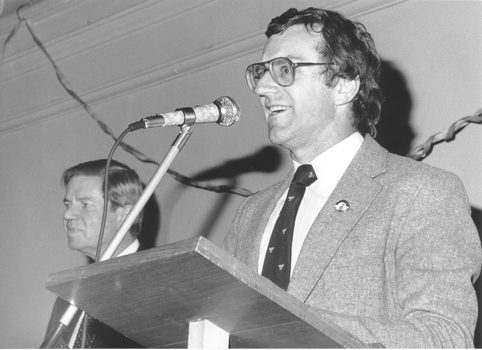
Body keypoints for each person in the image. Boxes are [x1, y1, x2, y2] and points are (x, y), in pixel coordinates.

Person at [223, 7, 481, 348]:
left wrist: (284, 327)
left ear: (344, 85)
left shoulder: (420, 192)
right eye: (260, 72)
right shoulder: (251, 213)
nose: (263, 87)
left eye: (284, 69)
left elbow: (445, 337)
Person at [44, 159, 144, 348]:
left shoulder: (156, 285)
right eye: (68, 204)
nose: (67, 215)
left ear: (125, 215)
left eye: (84, 204)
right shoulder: (67, 297)